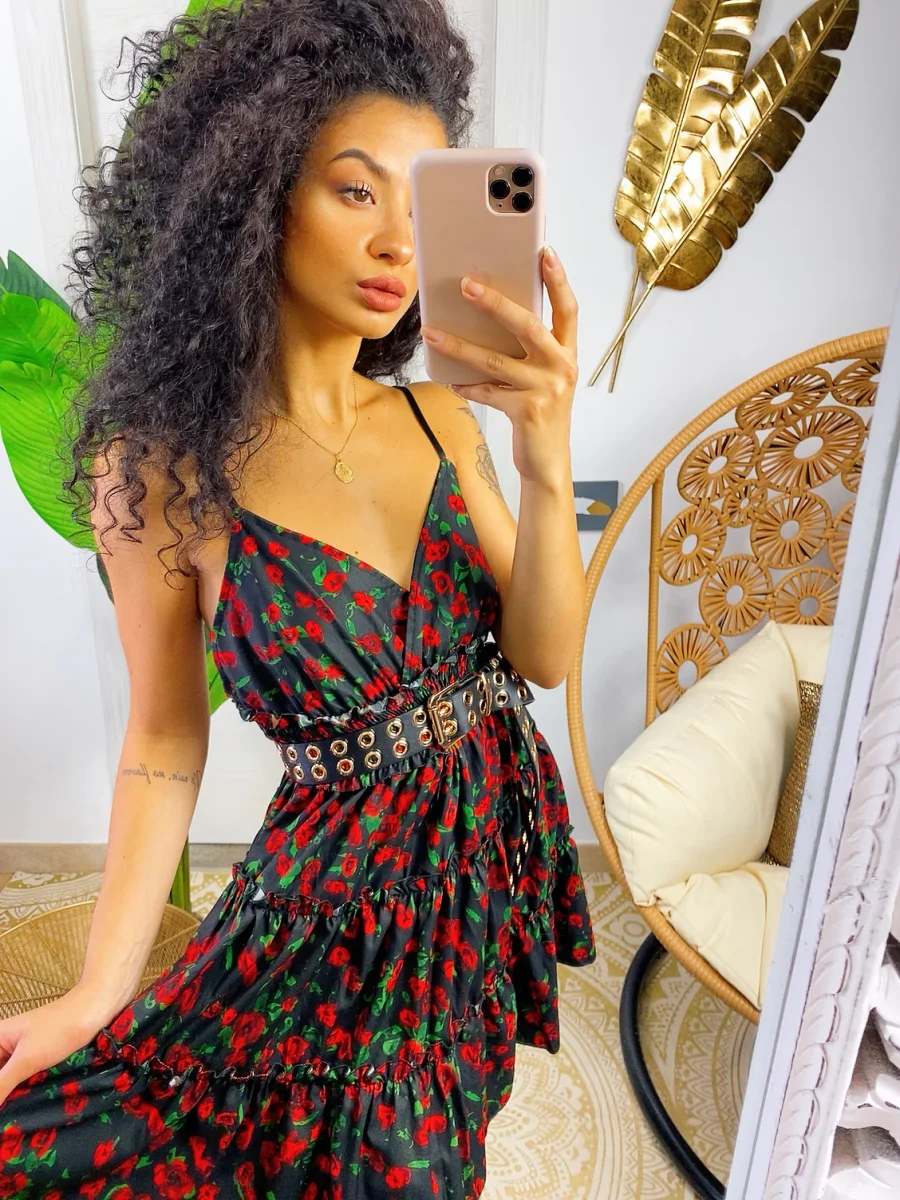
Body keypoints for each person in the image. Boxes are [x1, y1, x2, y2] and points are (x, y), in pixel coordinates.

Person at [0, 0, 596, 1195]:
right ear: (255, 191)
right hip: (331, 911)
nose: (396, 244)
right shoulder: (159, 472)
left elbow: (541, 660)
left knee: (438, 1141)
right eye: (355, 190)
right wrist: (98, 992)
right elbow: (164, 738)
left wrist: (545, 459)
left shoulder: (441, 418)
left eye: (421, 204)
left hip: (483, 863)